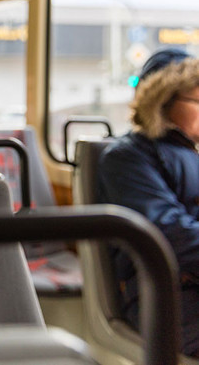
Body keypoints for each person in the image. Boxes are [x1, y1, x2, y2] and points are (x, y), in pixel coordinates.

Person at [98, 47, 199, 357]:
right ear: (163, 100)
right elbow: (168, 234)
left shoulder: (191, 153)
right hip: (165, 294)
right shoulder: (128, 157)